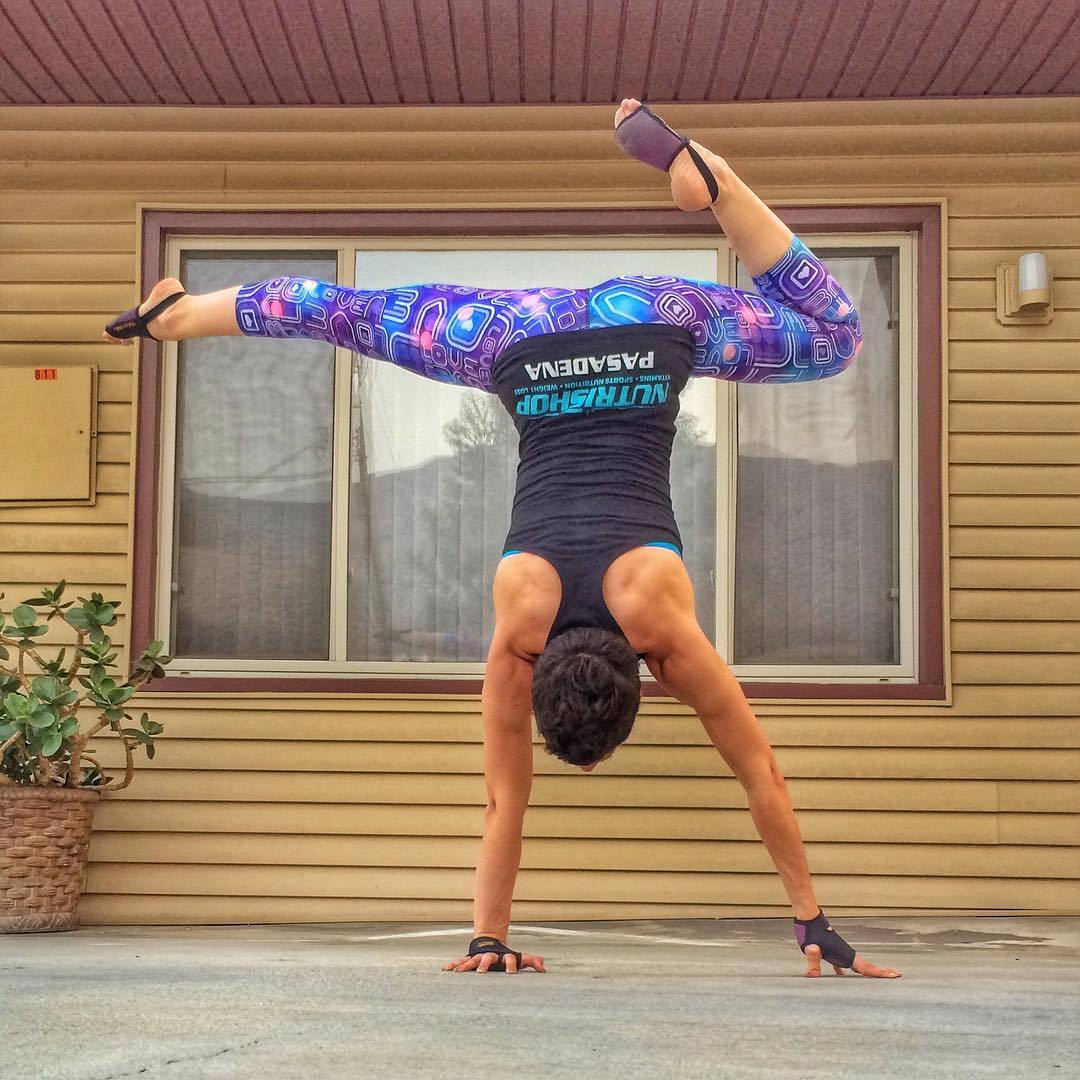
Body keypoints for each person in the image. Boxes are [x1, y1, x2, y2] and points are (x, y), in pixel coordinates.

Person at [105, 99, 900, 980]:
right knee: (342, 313)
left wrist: (813, 919)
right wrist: (486, 938)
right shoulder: (521, 632)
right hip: (512, 336)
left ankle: (716, 182)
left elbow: (763, 780)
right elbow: (502, 805)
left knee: (835, 339)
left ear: (643, 687)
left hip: (659, 323)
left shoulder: (666, 635)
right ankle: (175, 317)